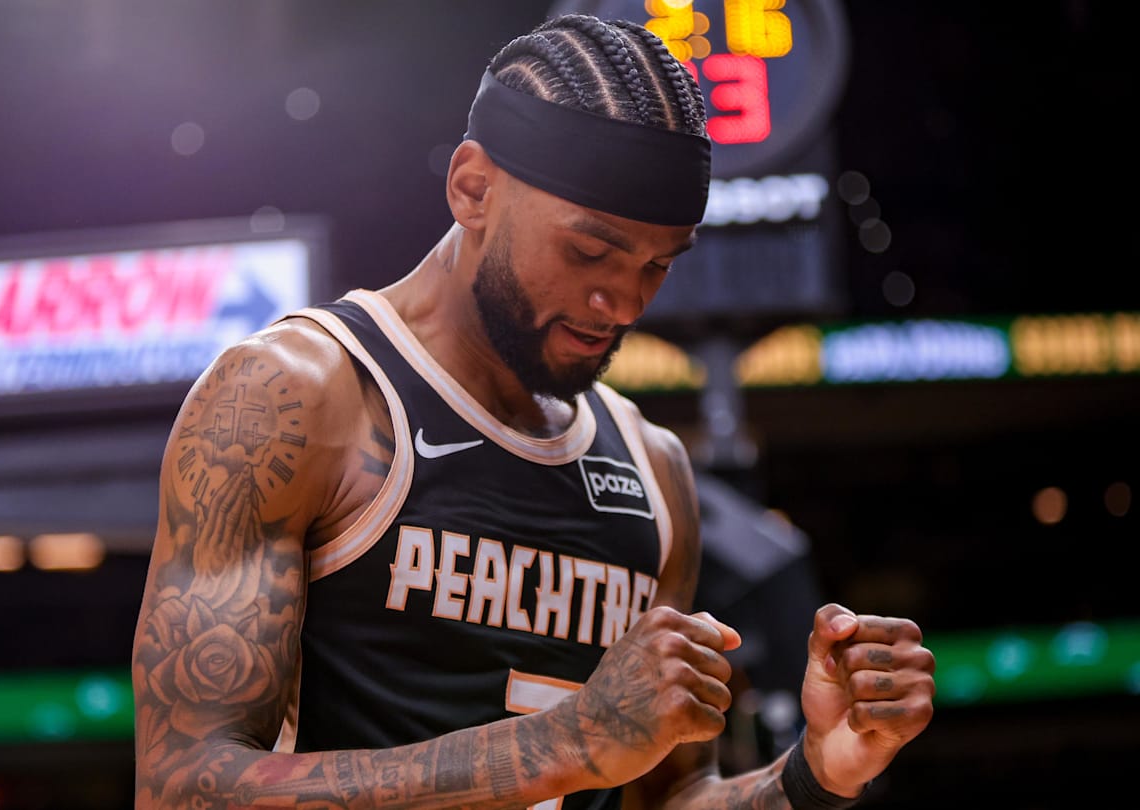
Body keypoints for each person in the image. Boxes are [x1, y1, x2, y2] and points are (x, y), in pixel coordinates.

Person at [131, 12, 934, 809]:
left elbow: (665, 799)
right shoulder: (300, 395)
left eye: (658, 265)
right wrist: (564, 745)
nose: (621, 302)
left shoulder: (654, 470)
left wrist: (815, 774)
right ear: (473, 188)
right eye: (590, 251)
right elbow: (182, 792)